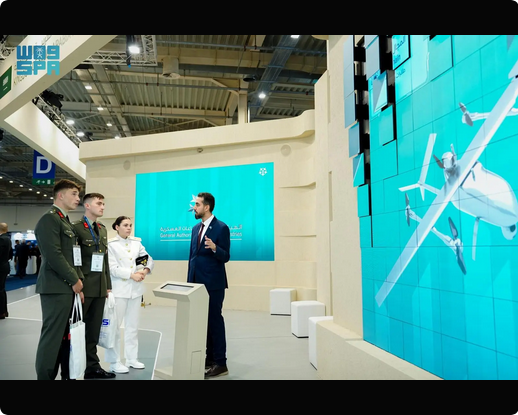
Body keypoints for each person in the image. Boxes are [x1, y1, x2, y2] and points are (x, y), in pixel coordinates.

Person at [34, 179, 85, 381]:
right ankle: (45, 377)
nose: (78, 198)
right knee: (52, 337)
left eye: (78, 194)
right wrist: (74, 279)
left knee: (65, 337)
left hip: (68, 287)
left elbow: (73, 256)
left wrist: (78, 283)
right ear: (60, 195)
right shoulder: (50, 219)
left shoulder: (65, 221)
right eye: (74, 194)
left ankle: (66, 375)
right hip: (56, 287)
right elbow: (53, 255)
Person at [72, 193, 115, 380]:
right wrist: (78, 285)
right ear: (87, 205)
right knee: (76, 329)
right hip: (84, 287)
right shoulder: (75, 228)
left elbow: (105, 260)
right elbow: (74, 259)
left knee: (93, 330)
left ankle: (92, 367)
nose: (102, 207)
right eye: (99, 203)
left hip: (99, 288)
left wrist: (107, 286)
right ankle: (73, 366)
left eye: (103, 203)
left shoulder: (102, 229)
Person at [188, 193, 231, 379]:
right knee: (203, 323)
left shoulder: (221, 228)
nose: (194, 207)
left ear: (207, 207)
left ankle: (221, 363)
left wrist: (215, 248)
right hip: (196, 284)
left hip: (213, 284)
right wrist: (190, 283)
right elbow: (193, 257)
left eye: (197, 204)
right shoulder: (195, 228)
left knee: (214, 321)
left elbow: (226, 256)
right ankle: (210, 358)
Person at [106, 216, 154, 374]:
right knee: (115, 327)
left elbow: (146, 259)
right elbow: (112, 268)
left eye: (130, 225)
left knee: (132, 326)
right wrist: (131, 275)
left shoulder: (136, 243)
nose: (128, 228)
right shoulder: (111, 245)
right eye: (125, 225)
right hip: (119, 290)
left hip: (135, 290)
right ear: (117, 227)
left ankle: (132, 358)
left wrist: (144, 271)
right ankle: (114, 361)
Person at [0, 223, 13, 320]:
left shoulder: (2, 239)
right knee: (2, 289)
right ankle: (4, 311)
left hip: (0, 266)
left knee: (0, 290)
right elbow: (10, 254)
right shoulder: (8, 239)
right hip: (4, 265)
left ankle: (1, 312)